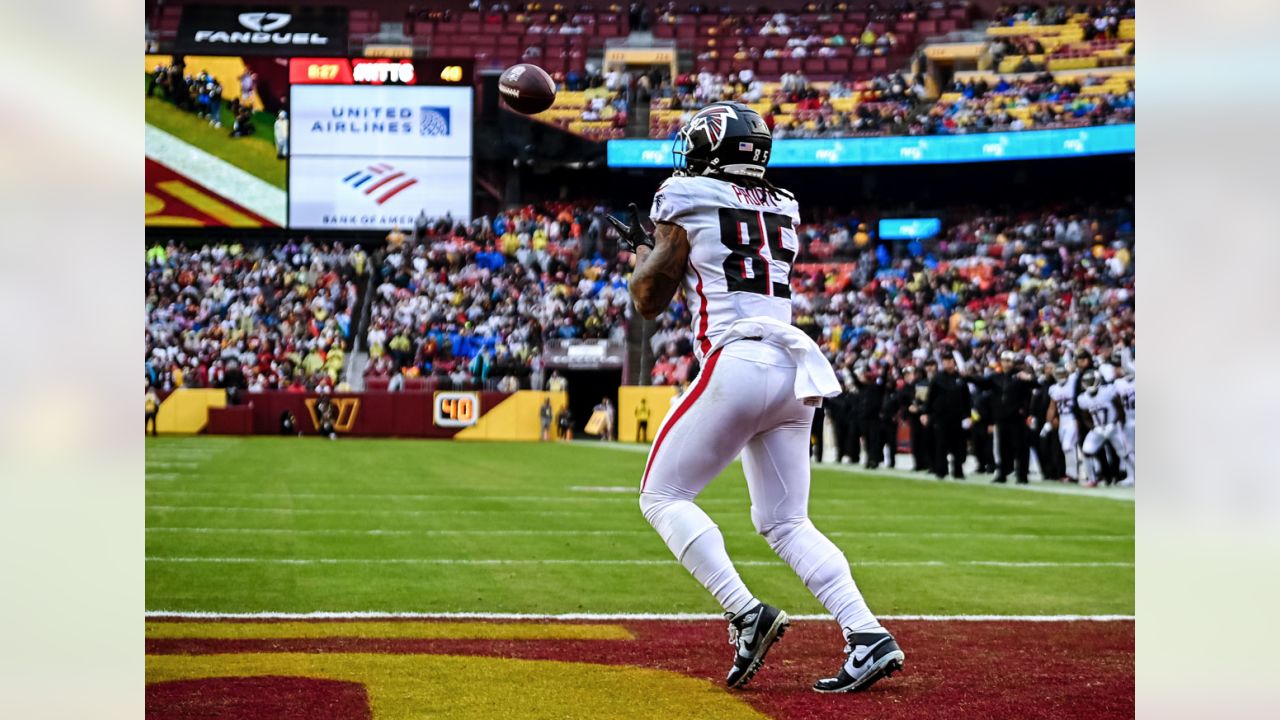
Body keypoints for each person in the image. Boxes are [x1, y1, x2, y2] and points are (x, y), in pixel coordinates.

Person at [609, 101, 903, 695]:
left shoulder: (683, 192)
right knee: (785, 520)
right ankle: (865, 632)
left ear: (710, 150)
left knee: (662, 496)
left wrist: (643, 253)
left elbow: (648, 298)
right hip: (793, 366)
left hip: (738, 360)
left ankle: (745, 611)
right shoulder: (786, 203)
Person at [969, 351, 1034, 484]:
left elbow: (1035, 386)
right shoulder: (996, 377)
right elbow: (981, 382)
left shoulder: (1019, 376)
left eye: (1009, 361)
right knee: (1002, 447)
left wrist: (1029, 379)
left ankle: (1022, 475)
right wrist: (968, 377)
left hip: (1017, 417)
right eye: (1004, 360)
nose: (1006, 363)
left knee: (1020, 447)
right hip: (1001, 417)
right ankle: (1002, 473)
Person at [1076, 370, 1135, 487]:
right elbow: (1086, 417)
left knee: (1126, 453)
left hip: (1113, 427)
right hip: (1098, 429)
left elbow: (1119, 408)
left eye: (1091, 381)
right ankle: (1092, 480)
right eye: (1087, 382)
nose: (1090, 384)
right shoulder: (1083, 398)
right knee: (1087, 451)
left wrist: (1115, 423)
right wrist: (1094, 428)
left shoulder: (1108, 391)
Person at [923, 354, 971, 480]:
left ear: (954, 362)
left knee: (958, 446)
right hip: (941, 417)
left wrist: (968, 416)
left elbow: (967, 399)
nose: (946, 363)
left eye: (949, 361)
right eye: (944, 361)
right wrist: (925, 413)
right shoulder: (937, 378)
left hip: (957, 417)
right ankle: (941, 470)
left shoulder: (960, 379)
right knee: (941, 445)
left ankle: (958, 470)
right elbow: (930, 398)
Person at [1046, 365, 1081, 482]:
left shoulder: (1072, 382)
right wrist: (1049, 422)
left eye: (1063, 373)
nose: (1061, 376)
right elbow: (1052, 407)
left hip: (1072, 418)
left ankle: (1073, 475)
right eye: (1058, 374)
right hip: (1062, 419)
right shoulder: (1054, 388)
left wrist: (1072, 368)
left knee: (1068, 446)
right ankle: (1071, 473)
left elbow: (1077, 371)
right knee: (1065, 447)